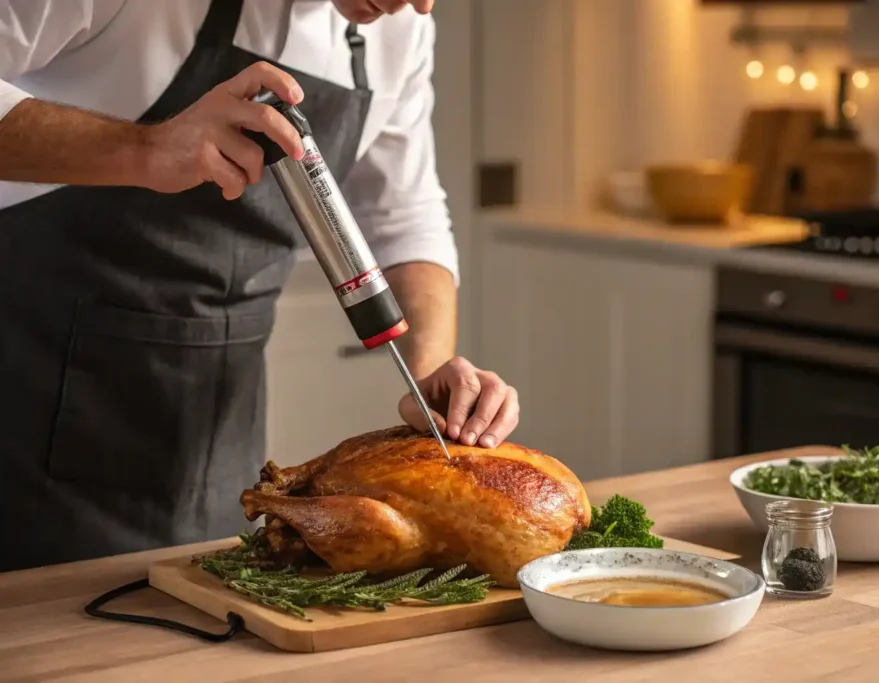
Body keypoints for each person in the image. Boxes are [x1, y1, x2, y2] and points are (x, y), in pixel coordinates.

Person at [0, 0, 520, 573]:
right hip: (28, 400)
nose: (418, 5)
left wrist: (429, 374)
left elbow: (405, 214)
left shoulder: (403, 29)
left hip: (219, 435)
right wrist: (144, 150)